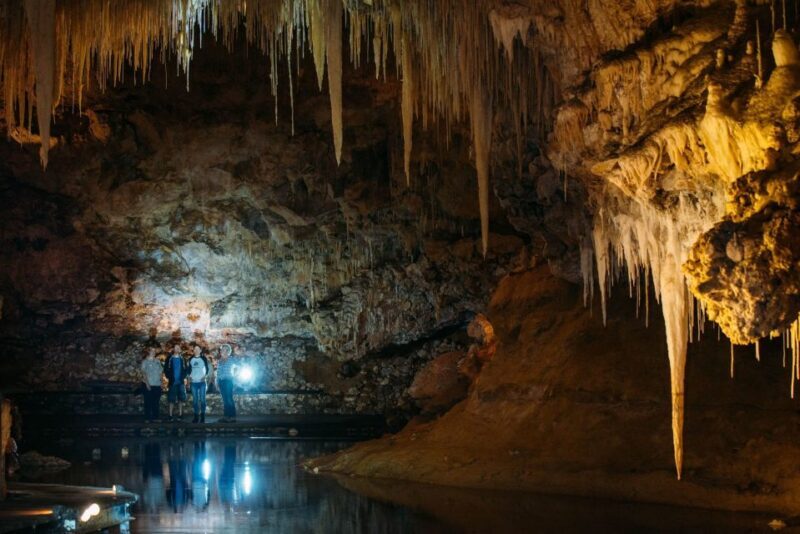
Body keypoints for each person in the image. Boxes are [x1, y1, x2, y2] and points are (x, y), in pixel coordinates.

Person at [164, 344, 188, 421]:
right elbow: (166, 368)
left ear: (180, 349)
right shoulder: (169, 358)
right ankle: (170, 415)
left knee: (181, 399)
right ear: (173, 349)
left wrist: (183, 376)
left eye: (178, 348)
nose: (177, 349)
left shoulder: (183, 359)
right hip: (172, 382)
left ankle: (180, 415)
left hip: (180, 382)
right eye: (176, 348)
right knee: (171, 399)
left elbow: (186, 369)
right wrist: (169, 377)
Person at [140, 347, 163, 422]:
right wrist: (147, 384)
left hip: (157, 384)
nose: (154, 352)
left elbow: (160, 372)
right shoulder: (145, 362)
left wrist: (161, 382)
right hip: (148, 384)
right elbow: (143, 373)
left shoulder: (157, 361)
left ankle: (156, 417)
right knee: (148, 402)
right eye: (152, 351)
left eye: (154, 351)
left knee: (156, 402)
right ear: (149, 352)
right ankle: (147, 418)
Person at [216, 344, 237, 423]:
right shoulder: (220, 361)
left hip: (228, 381)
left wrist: (234, 376)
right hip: (221, 381)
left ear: (228, 351)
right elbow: (218, 372)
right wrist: (217, 382)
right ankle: (226, 416)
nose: (222, 351)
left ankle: (232, 416)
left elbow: (238, 367)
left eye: (224, 349)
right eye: (221, 349)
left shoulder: (232, 359)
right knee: (224, 399)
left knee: (229, 398)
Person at [188, 345, 209, 423]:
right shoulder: (191, 359)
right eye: (195, 349)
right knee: (195, 400)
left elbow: (207, 369)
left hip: (202, 382)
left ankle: (202, 415)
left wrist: (205, 376)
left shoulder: (203, 358)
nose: (196, 350)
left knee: (203, 399)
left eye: (198, 349)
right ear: (193, 350)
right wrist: (189, 377)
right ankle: (196, 416)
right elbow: (188, 369)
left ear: (200, 350)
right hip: (194, 382)